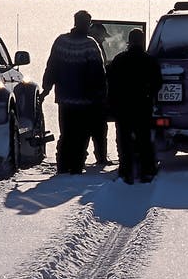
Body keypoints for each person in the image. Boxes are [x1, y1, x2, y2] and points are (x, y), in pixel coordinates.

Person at [42, 10, 107, 174]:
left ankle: (63, 166)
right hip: (85, 101)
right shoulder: (90, 45)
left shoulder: (60, 42)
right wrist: (101, 95)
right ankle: (76, 167)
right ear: (86, 24)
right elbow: (98, 74)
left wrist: (46, 88)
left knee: (66, 134)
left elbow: (52, 67)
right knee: (82, 135)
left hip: (64, 99)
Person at [105, 27, 162, 184]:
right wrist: (149, 94)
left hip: (123, 107)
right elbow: (158, 83)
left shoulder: (119, 60)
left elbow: (110, 82)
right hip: (143, 106)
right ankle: (147, 171)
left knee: (124, 140)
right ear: (142, 41)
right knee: (144, 139)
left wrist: (113, 103)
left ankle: (126, 171)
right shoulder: (150, 60)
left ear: (129, 41)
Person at [87, 22, 112, 167]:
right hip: (93, 96)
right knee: (97, 129)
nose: (103, 39)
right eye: (102, 37)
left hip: (91, 95)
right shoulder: (92, 46)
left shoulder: (96, 46)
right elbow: (99, 71)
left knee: (98, 129)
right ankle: (100, 158)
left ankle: (100, 157)